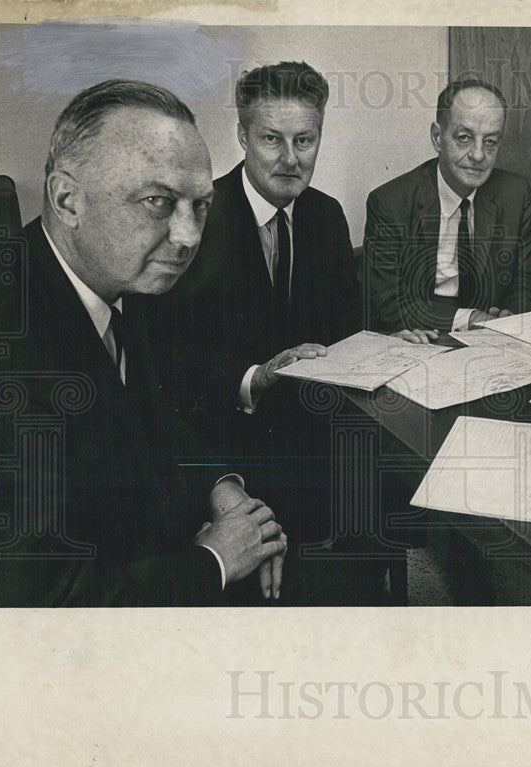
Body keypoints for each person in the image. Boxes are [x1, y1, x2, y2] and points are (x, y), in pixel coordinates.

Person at [0, 79, 286, 607]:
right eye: (157, 201)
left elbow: (158, 424)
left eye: (200, 206)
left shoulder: (124, 278)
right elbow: (44, 601)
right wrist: (211, 562)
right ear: (67, 199)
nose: (187, 237)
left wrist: (221, 491)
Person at [149, 62, 416, 604]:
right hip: (223, 440)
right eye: (271, 138)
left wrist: (387, 344)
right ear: (242, 136)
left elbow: (346, 331)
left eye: (305, 139)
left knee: (394, 491)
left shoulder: (326, 215)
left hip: (314, 427)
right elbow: (169, 366)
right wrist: (258, 375)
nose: (290, 159)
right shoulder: (195, 221)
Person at [362, 78, 531, 332]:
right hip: (426, 335)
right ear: (438, 137)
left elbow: (528, 281)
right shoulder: (390, 203)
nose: (478, 155)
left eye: (490, 141)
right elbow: (388, 302)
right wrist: (468, 320)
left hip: (496, 337)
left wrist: (510, 316)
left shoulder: (515, 193)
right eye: (464, 138)